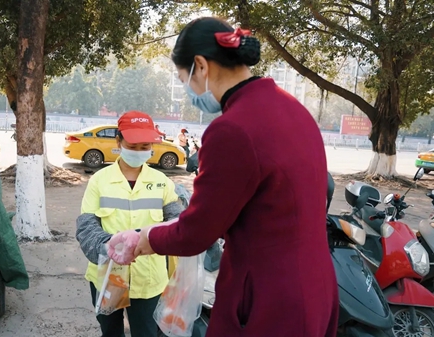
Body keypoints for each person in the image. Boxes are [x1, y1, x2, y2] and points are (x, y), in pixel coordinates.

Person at [108, 17, 338, 337]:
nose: (188, 88)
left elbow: (197, 232)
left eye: (183, 77)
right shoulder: (292, 108)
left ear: (200, 66)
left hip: (269, 300)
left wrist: (143, 239)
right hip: (316, 287)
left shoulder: (233, 129)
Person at [75, 110, 183, 337]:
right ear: (119, 141)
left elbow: (176, 225)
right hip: (107, 276)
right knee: (111, 332)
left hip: (149, 281)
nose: (138, 152)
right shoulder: (99, 180)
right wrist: (109, 246)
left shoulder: (162, 182)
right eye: (132, 147)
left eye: (145, 147)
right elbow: (86, 227)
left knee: (146, 333)